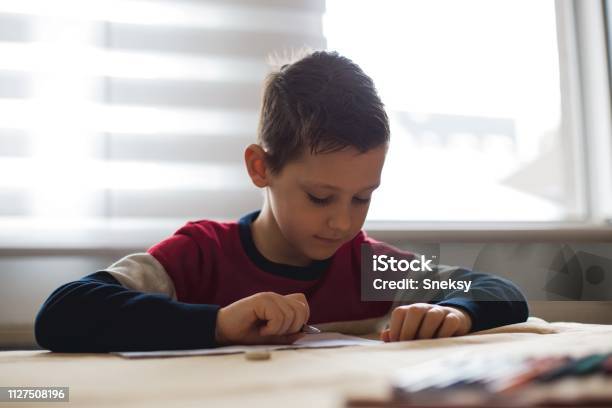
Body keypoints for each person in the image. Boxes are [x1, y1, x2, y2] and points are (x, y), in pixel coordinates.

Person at [34, 50, 528, 352]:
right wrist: (219, 324)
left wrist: (458, 311)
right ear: (260, 168)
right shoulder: (201, 255)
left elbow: (502, 290)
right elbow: (62, 313)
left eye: (362, 198)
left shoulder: (368, 265)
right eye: (319, 196)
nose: (342, 222)